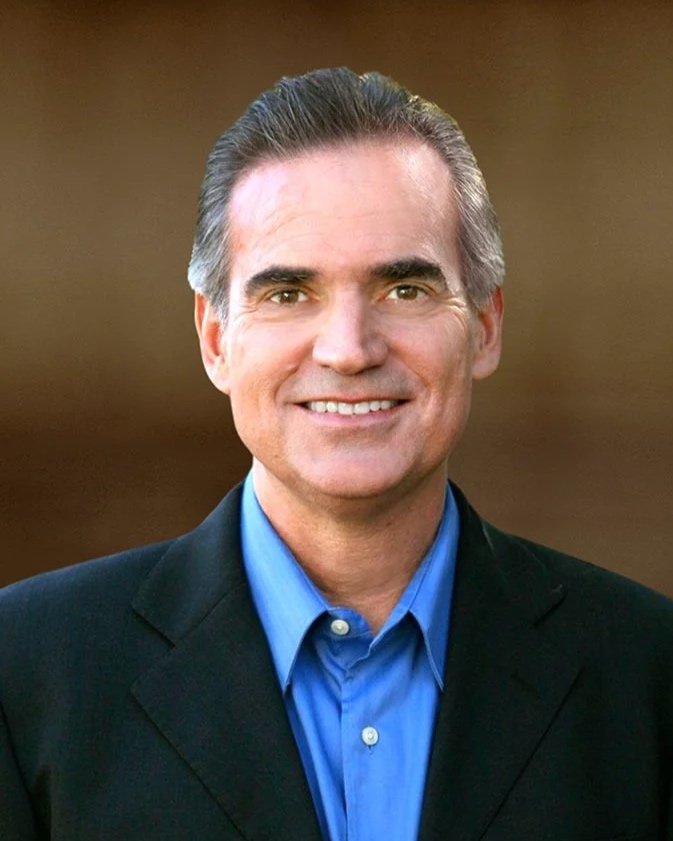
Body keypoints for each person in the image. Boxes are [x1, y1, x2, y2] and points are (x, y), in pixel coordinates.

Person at [1, 67, 671, 841]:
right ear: (216, 340)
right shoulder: (26, 672)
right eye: (288, 294)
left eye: (404, 289)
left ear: (484, 326)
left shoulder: (647, 672)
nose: (348, 349)